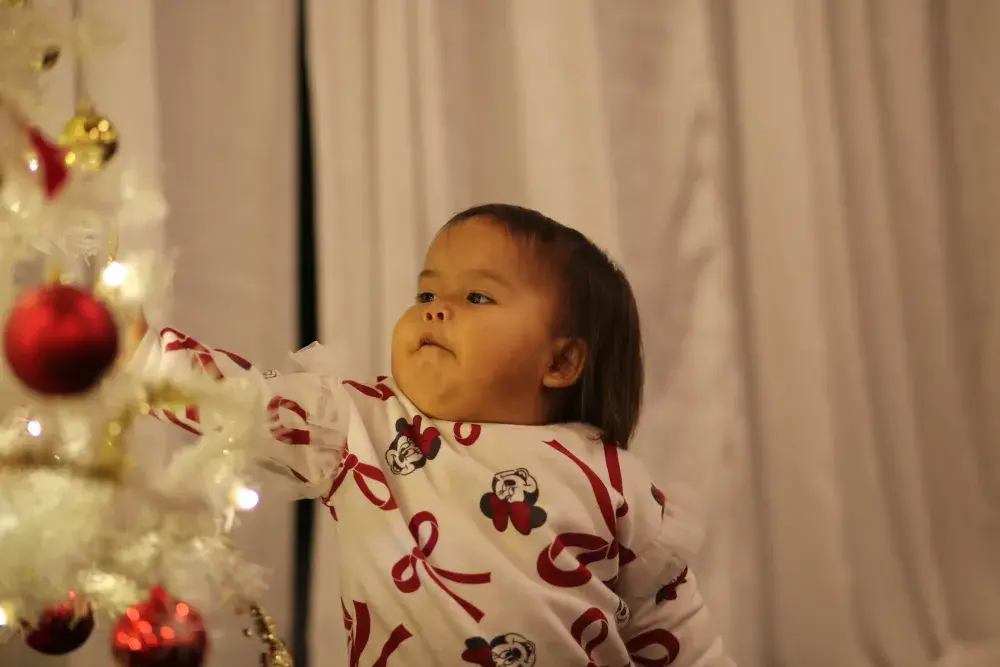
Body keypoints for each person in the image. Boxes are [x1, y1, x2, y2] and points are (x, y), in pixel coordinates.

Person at [130, 204, 734, 666]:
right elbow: (244, 401)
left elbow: (677, 628)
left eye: (476, 296)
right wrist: (144, 356)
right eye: (426, 293)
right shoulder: (360, 429)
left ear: (561, 362)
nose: (435, 308)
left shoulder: (610, 476)